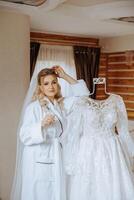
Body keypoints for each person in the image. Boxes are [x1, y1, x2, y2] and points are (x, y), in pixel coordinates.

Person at [10, 66, 90, 200]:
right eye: (46, 83)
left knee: (54, 192)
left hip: (56, 155)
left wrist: (64, 75)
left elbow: (84, 96)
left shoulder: (61, 105)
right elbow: (23, 135)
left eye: (54, 82)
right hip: (39, 157)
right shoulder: (34, 107)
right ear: (40, 87)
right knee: (40, 193)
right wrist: (41, 125)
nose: (51, 86)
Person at [64, 93, 134, 200]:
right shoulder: (81, 102)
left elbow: (123, 130)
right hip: (89, 150)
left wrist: (130, 154)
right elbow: (74, 132)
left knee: (113, 184)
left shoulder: (117, 101)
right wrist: (71, 160)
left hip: (112, 149)